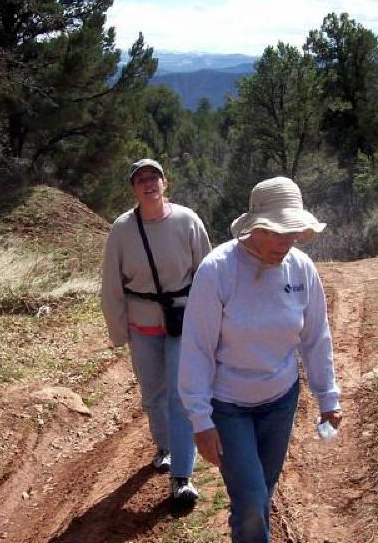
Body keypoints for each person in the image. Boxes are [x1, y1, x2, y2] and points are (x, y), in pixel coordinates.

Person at [178, 176, 343, 542]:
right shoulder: (217, 270)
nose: (288, 242)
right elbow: (197, 349)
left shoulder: (301, 270)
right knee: (251, 501)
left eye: (294, 233)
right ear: (255, 227)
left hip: (280, 402)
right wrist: (200, 420)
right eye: (278, 233)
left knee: (261, 494)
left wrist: (328, 395)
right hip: (229, 405)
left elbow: (316, 336)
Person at [101, 158, 212, 505]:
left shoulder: (188, 221)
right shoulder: (122, 229)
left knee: (181, 396)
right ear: (133, 188)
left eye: (154, 178)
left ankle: (182, 476)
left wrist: (212, 323)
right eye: (141, 179)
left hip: (183, 321)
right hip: (142, 324)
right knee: (153, 394)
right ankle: (164, 446)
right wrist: (119, 331)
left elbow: (208, 274)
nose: (149, 184)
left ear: (165, 183)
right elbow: (111, 285)